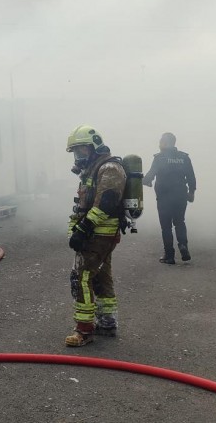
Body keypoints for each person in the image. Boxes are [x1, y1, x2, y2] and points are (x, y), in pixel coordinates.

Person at [65, 125, 126, 347]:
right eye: (75, 152)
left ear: (95, 146)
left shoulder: (109, 168)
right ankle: (107, 322)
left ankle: (84, 330)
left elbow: (107, 203)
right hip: (99, 232)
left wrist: (83, 229)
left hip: (100, 233)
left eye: (81, 151)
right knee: (101, 276)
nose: (78, 156)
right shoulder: (94, 168)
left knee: (81, 277)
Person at [143, 132, 196, 264]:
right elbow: (191, 177)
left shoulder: (159, 158)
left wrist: (144, 180)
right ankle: (183, 246)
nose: (159, 144)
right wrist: (191, 192)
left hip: (164, 197)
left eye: (161, 141)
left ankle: (169, 255)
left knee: (166, 226)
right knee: (180, 222)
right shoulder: (184, 157)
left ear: (165, 143)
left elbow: (150, 175)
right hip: (181, 195)